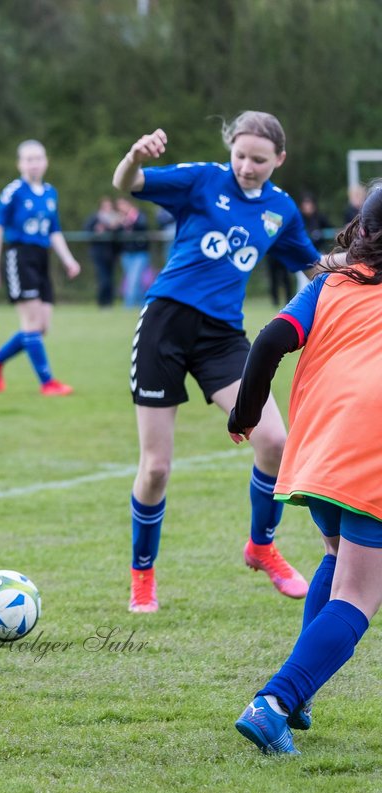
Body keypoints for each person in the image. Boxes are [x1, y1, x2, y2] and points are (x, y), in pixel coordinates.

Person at [112, 112, 325, 614]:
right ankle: (142, 575)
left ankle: (261, 546)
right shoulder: (203, 179)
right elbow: (129, 183)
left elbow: (313, 266)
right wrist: (133, 157)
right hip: (166, 325)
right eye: (240, 155)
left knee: (275, 441)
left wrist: (362, 273)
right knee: (157, 468)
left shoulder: (282, 209)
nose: (247, 167)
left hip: (222, 338)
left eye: (258, 159)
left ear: (279, 160)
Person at [228, 186, 382, 754]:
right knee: (361, 594)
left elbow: (270, 338)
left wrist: (245, 413)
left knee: (338, 557)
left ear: (360, 231)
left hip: (319, 441)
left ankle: (300, 695)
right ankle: (274, 701)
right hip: (372, 446)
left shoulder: (329, 285)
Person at [0, 140, 82, 395]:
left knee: (41, 327)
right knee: (31, 322)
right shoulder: (13, 192)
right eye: (28, 159)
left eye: (38, 158)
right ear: (20, 164)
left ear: (46, 161)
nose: (34, 163)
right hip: (19, 256)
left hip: (42, 259)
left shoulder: (50, 193)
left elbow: (54, 231)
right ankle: (47, 383)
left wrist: (68, 259)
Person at [115, 197, 151, 309]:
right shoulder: (120, 218)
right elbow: (116, 234)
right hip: (126, 253)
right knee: (135, 282)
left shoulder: (139, 216)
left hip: (140, 253)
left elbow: (143, 226)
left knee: (133, 280)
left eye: (122, 205)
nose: (120, 208)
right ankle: (142, 305)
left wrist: (130, 221)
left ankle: (128, 306)